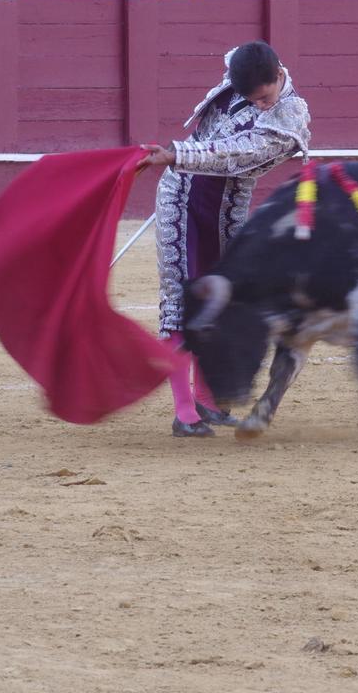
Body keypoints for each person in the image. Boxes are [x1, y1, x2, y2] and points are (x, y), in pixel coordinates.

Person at [138, 41, 311, 437]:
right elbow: (236, 56)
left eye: (265, 97)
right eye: (253, 99)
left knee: (221, 299)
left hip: (225, 207)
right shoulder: (243, 70)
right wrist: (176, 161)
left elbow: (235, 153)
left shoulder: (291, 115)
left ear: (278, 78)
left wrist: (176, 154)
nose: (263, 106)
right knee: (181, 300)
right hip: (181, 197)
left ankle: (209, 402)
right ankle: (185, 413)